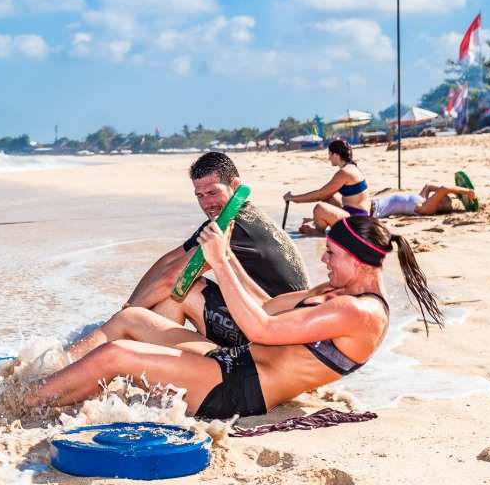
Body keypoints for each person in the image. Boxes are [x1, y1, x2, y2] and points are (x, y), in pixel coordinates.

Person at [25, 215, 443, 418]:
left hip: (236, 391)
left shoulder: (359, 312)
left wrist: (222, 262)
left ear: (360, 260)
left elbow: (260, 328)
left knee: (116, 354)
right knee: (133, 319)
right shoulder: (337, 292)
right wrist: (225, 256)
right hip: (233, 365)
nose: (324, 258)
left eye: (331, 253)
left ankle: (20, 406)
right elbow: (266, 306)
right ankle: (45, 375)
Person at [120, 152, 308, 350]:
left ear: (235, 186)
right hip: (269, 320)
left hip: (280, 339)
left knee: (185, 290)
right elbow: (167, 261)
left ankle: (145, 361)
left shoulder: (233, 226)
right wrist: (129, 306)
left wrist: (126, 318)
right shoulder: (239, 214)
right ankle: (147, 360)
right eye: (200, 196)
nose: (206, 204)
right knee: (170, 294)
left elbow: (171, 279)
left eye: (212, 193)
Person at [284, 139, 368, 236]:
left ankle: (319, 232)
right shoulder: (351, 168)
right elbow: (325, 195)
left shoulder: (345, 172)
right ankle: (315, 222)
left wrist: (293, 198)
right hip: (357, 215)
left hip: (356, 223)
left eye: (329, 154)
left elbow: (320, 194)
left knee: (319, 208)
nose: (329, 158)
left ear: (336, 155)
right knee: (329, 197)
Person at [371, 182, 478, 218]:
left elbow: (444, 189)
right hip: (375, 203)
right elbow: (428, 186)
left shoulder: (427, 208)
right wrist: (456, 192)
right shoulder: (422, 199)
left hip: (376, 210)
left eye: (442, 199)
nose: (438, 196)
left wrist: (467, 191)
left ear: (440, 206)